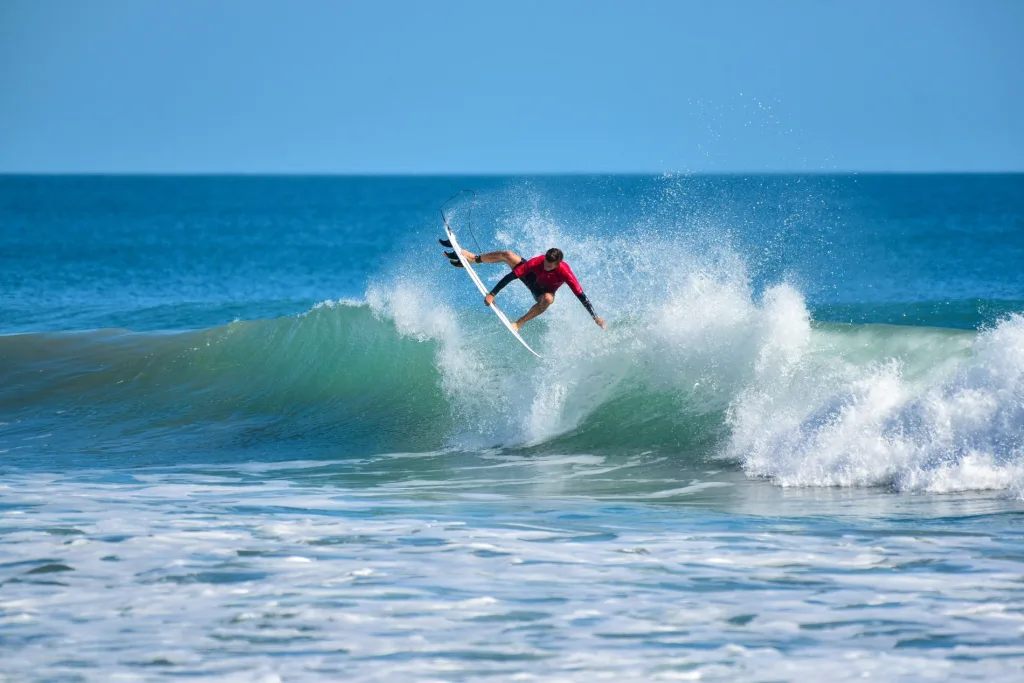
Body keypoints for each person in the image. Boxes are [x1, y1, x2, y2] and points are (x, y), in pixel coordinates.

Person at [446, 246, 606, 331]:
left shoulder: (565, 272)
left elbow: (580, 295)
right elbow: (513, 275)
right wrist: (492, 294)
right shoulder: (538, 261)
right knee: (508, 254)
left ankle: (519, 324)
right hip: (530, 279)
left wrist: (595, 317)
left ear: (558, 264)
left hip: (542, 292)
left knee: (548, 300)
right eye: (545, 262)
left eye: (549, 265)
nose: (545, 265)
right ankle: (475, 259)